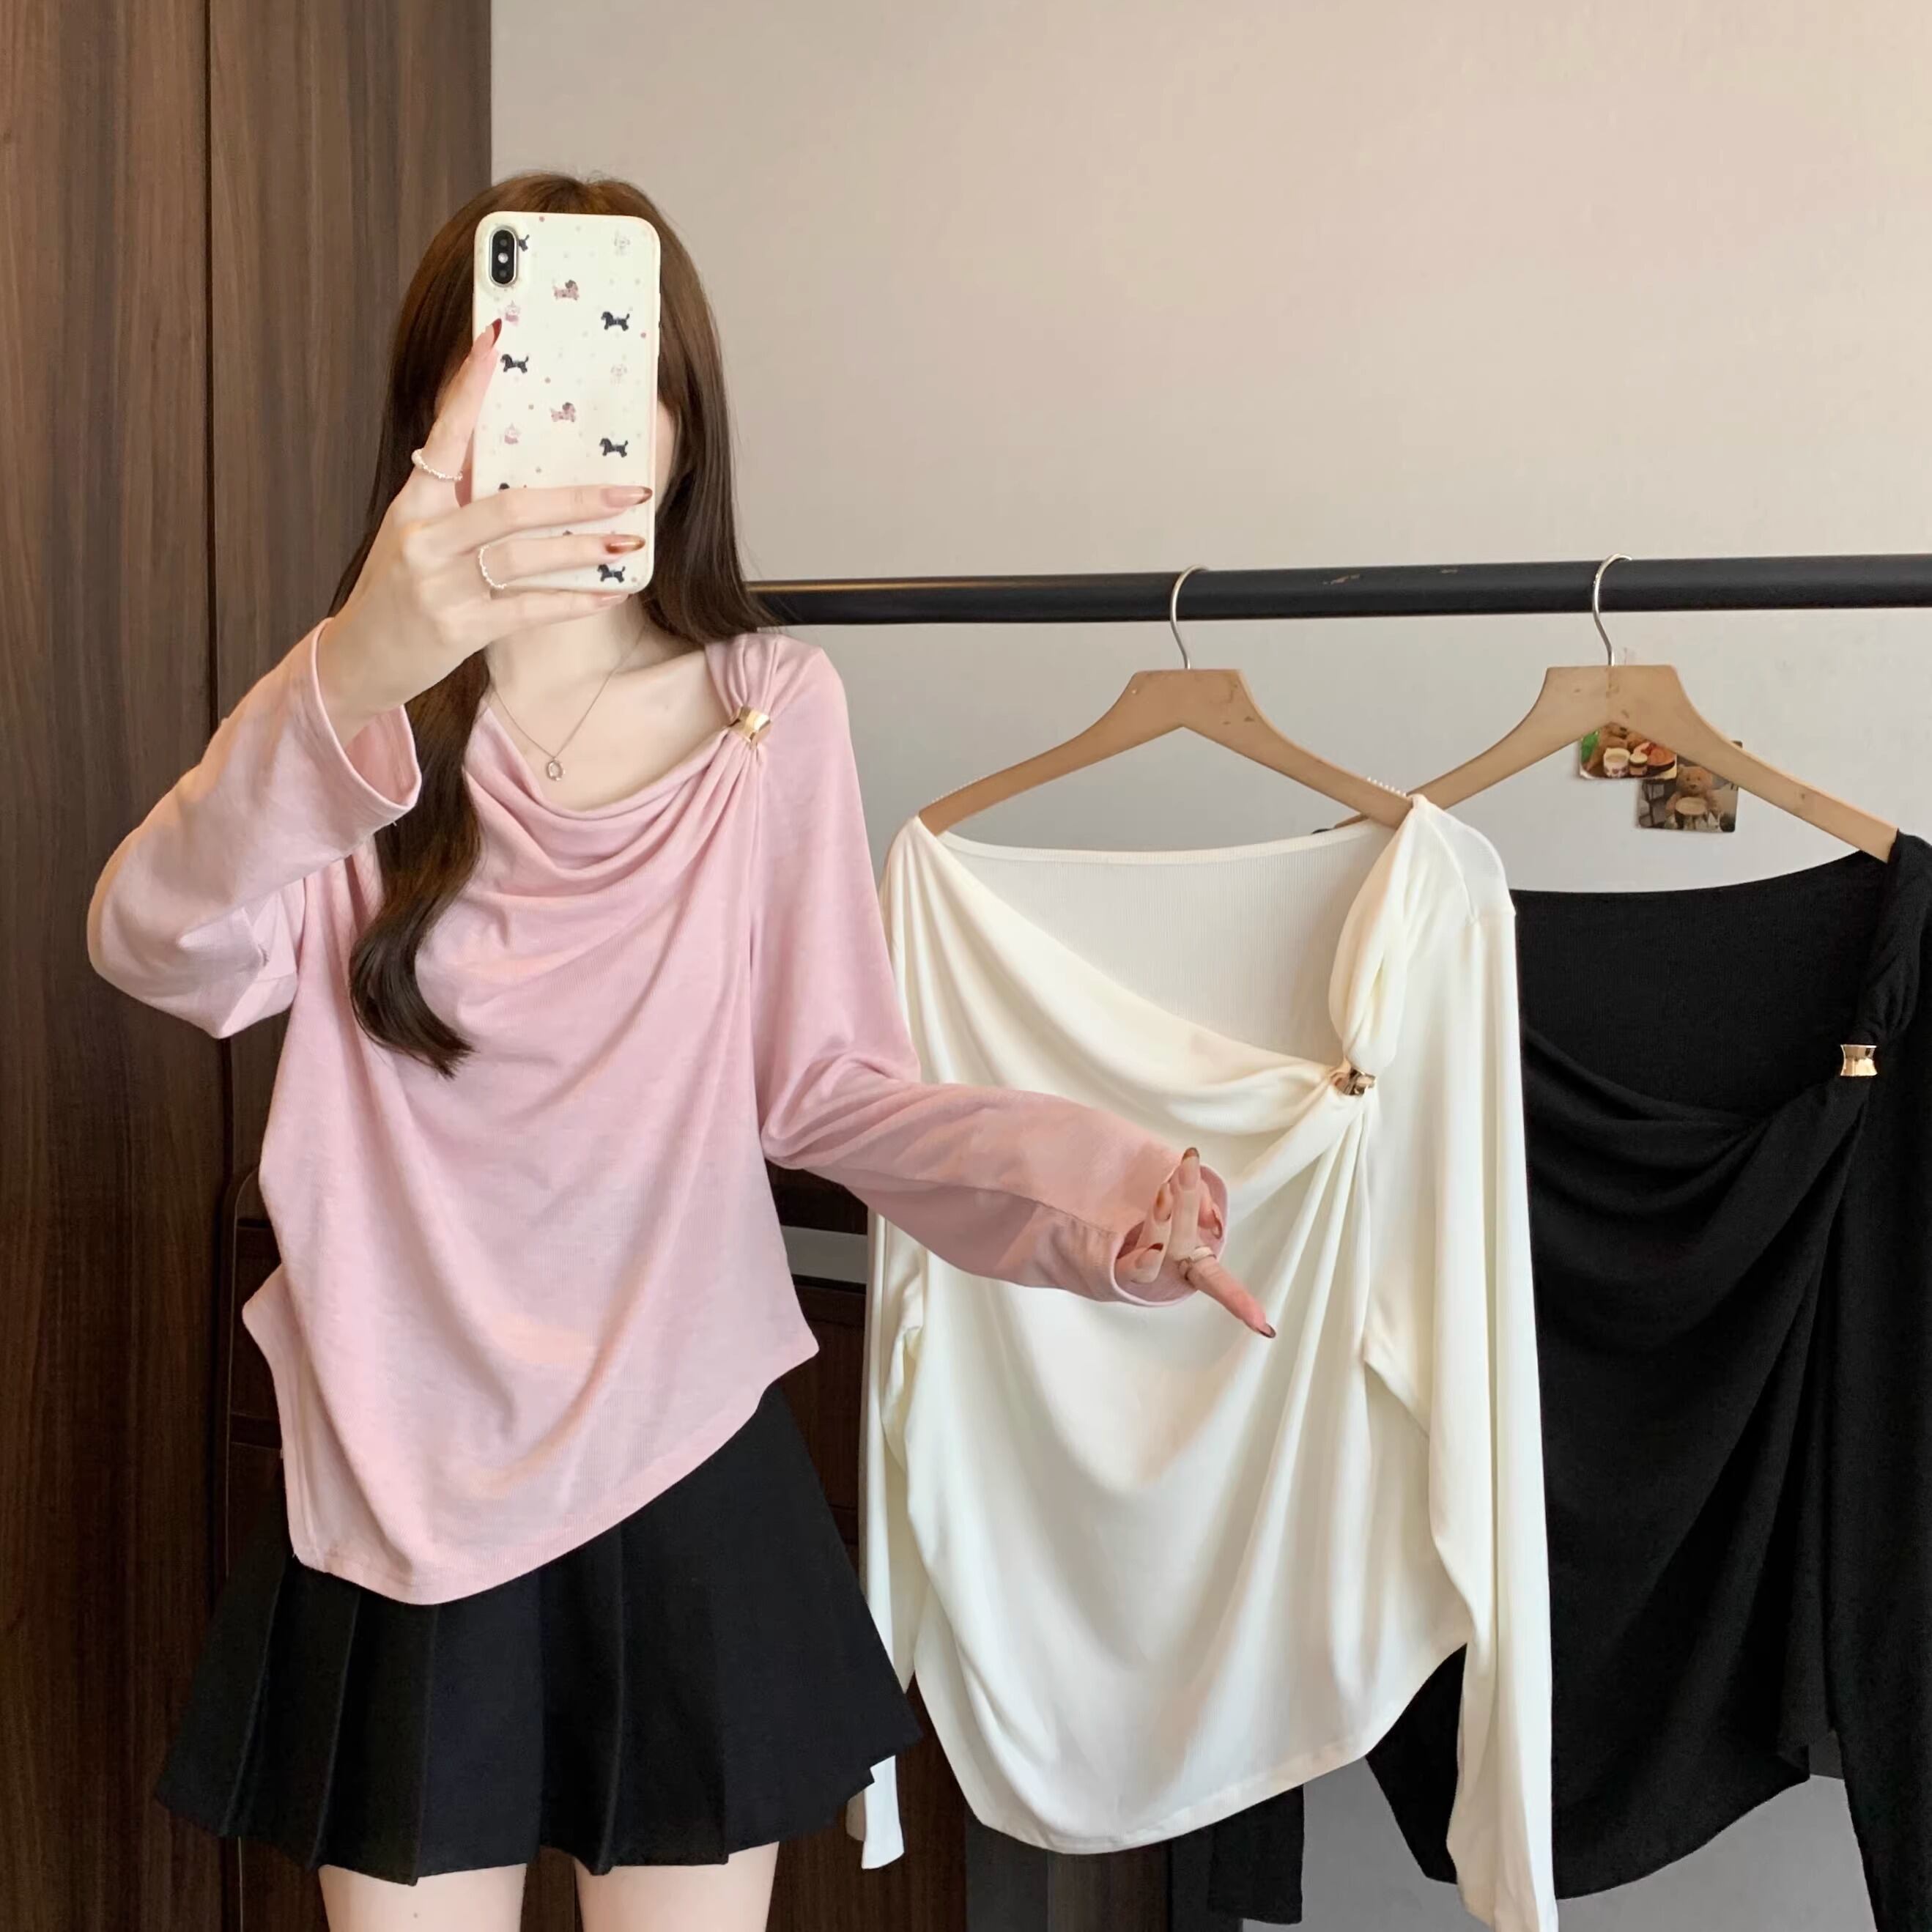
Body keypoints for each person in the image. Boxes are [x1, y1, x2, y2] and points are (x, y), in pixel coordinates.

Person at [85, 173, 1269, 1932]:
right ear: (431, 424)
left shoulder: (767, 709)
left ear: (683, 422)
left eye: (622, 371)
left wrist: (1097, 1193)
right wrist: (357, 667)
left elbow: (828, 1085)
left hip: (679, 1454)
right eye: (521, 366)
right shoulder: (344, 731)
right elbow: (150, 938)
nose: (580, 415)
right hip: (397, 1480)